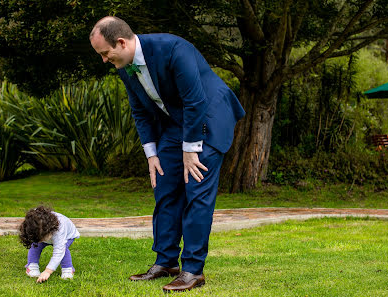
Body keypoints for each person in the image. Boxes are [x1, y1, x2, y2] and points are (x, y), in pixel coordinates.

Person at [90, 16, 245, 292]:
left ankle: (193, 270)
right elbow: (140, 111)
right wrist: (152, 153)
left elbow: (195, 101)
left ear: (122, 42)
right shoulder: (124, 66)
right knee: (165, 186)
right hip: (177, 124)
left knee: (196, 192)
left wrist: (190, 149)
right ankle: (166, 262)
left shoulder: (174, 49)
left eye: (105, 53)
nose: (104, 60)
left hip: (208, 117)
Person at [19, 206, 80, 283]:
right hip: (46, 232)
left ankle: (67, 269)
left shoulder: (60, 229)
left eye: (43, 238)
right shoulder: (35, 222)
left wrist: (48, 271)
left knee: (63, 249)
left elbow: (59, 251)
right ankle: (32, 265)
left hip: (67, 236)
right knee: (35, 246)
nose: (41, 240)